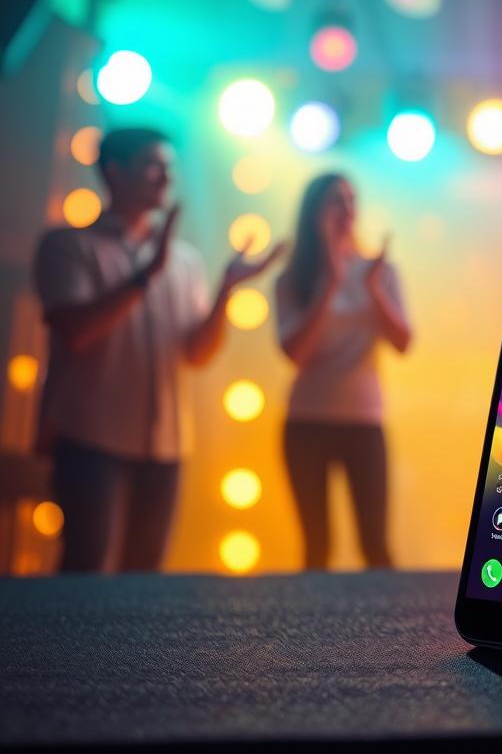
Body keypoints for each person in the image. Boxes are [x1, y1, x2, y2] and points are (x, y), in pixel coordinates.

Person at [33, 127, 284, 572]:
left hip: (167, 443)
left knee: (147, 579)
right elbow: (76, 333)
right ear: (114, 172)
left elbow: (196, 353)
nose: (167, 178)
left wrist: (226, 290)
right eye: (154, 166)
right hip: (91, 439)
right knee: (85, 572)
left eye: (171, 168)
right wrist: (145, 276)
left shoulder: (183, 260)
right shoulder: (69, 246)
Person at [275, 173, 411, 570]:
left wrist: (373, 290)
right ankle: (311, 634)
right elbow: (295, 353)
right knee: (317, 548)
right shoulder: (292, 278)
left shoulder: (380, 271)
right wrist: (330, 283)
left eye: (352, 200)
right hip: (306, 421)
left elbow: (403, 342)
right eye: (336, 200)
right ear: (313, 211)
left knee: (376, 545)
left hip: (364, 421)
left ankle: (390, 632)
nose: (347, 210)